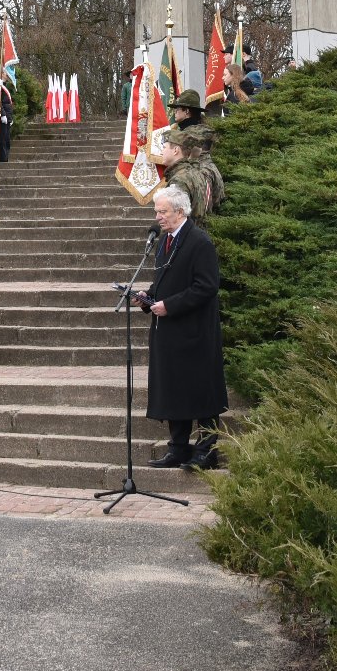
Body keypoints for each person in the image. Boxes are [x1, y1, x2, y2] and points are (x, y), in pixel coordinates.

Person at [138, 186, 228, 470]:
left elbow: (207, 286)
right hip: (169, 334)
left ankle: (206, 451)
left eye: (162, 212)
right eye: (157, 211)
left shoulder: (199, 242)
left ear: (180, 211)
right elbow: (164, 282)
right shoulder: (165, 242)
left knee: (200, 391)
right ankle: (178, 448)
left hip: (195, 332)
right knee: (174, 389)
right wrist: (146, 298)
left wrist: (170, 306)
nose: (158, 217)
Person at [159, 136, 216, 225]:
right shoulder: (196, 173)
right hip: (197, 233)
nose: (161, 152)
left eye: (164, 148)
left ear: (175, 150)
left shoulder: (179, 179)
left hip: (185, 236)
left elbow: (174, 219)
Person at [168, 88, 217, 155]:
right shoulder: (200, 127)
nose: (175, 112)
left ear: (186, 111)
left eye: (177, 108)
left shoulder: (195, 133)